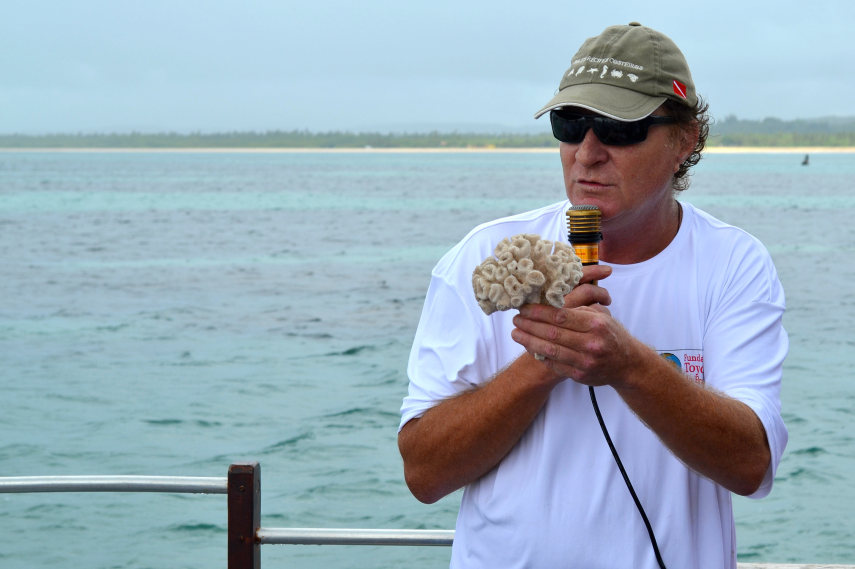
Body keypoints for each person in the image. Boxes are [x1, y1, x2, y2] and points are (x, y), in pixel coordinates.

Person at [397, 22, 788, 569]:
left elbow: (751, 464)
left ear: (686, 139)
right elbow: (424, 473)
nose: (587, 152)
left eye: (619, 129)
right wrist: (542, 363)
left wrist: (630, 365)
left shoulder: (733, 264)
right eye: (571, 123)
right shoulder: (486, 255)